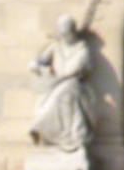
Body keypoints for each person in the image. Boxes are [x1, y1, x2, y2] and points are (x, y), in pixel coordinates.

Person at [30, 15, 93, 151]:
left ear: (73, 32)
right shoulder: (56, 47)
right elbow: (40, 61)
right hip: (54, 84)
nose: (65, 36)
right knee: (53, 95)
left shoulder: (82, 50)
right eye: (62, 33)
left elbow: (74, 71)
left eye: (67, 32)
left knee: (63, 92)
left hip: (73, 84)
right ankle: (51, 133)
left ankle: (63, 133)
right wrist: (36, 66)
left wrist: (55, 80)